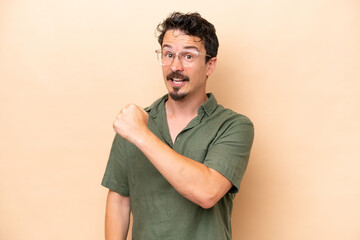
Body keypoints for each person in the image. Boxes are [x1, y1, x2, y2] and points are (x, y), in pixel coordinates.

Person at [101, 12, 254, 240]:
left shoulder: (233, 126)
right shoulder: (134, 123)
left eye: (188, 57)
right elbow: (120, 201)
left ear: (209, 65)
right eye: (168, 54)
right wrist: (137, 130)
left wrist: (141, 135)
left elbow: (207, 192)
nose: (175, 66)